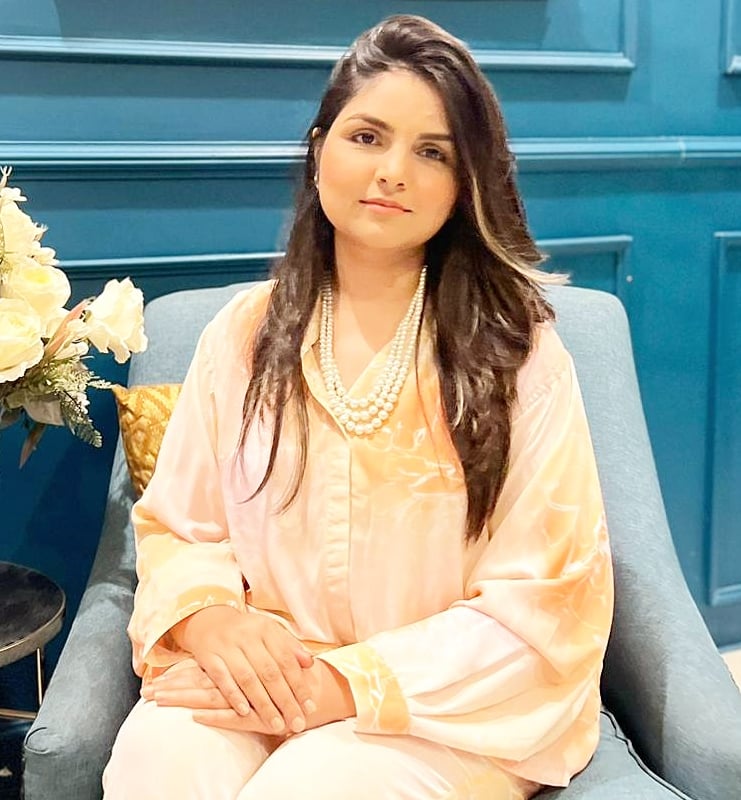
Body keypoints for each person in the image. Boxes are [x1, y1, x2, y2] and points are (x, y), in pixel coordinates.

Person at [102, 14, 613, 800]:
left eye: (432, 151)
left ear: (465, 181)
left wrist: (345, 687)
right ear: (318, 152)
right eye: (367, 136)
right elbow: (181, 525)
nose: (393, 172)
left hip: (446, 703)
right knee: (158, 765)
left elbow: (545, 593)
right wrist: (211, 623)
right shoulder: (243, 336)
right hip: (268, 666)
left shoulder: (517, 355)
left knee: (313, 786)